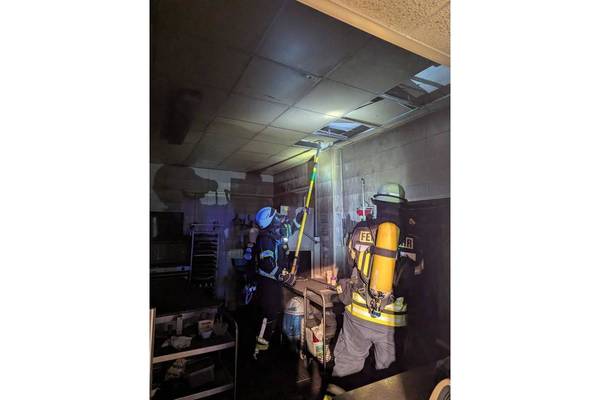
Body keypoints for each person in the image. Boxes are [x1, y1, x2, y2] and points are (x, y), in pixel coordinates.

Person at [332, 183, 424, 378]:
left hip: (358, 315)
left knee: (346, 367)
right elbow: (418, 273)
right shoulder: (414, 239)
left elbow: (350, 262)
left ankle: (340, 389)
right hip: (392, 323)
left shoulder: (360, 230)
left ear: (377, 205)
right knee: (389, 378)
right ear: (402, 207)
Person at [251, 206, 306, 360]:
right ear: (270, 221)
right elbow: (267, 264)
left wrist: (299, 217)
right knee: (268, 317)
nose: (278, 217)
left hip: (275, 284)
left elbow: (290, 229)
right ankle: (259, 352)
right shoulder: (266, 240)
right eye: (275, 216)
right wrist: (284, 276)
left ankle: (270, 348)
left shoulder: (275, 233)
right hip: (267, 285)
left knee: (275, 313)